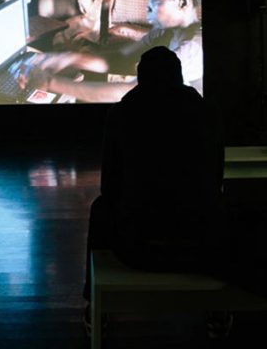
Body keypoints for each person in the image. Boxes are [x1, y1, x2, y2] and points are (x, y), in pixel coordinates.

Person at [81, 46, 228, 335]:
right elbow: (215, 177)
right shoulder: (206, 111)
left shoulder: (121, 114)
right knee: (220, 204)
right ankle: (219, 309)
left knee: (100, 207)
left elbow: (108, 187)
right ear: (180, 76)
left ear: (139, 77)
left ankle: (92, 303)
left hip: (135, 244)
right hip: (198, 242)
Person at [16, 0, 204, 103]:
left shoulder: (193, 48)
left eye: (155, 2)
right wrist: (65, 58)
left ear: (183, 3)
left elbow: (129, 92)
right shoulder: (165, 32)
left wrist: (49, 82)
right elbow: (120, 57)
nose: (148, 9)